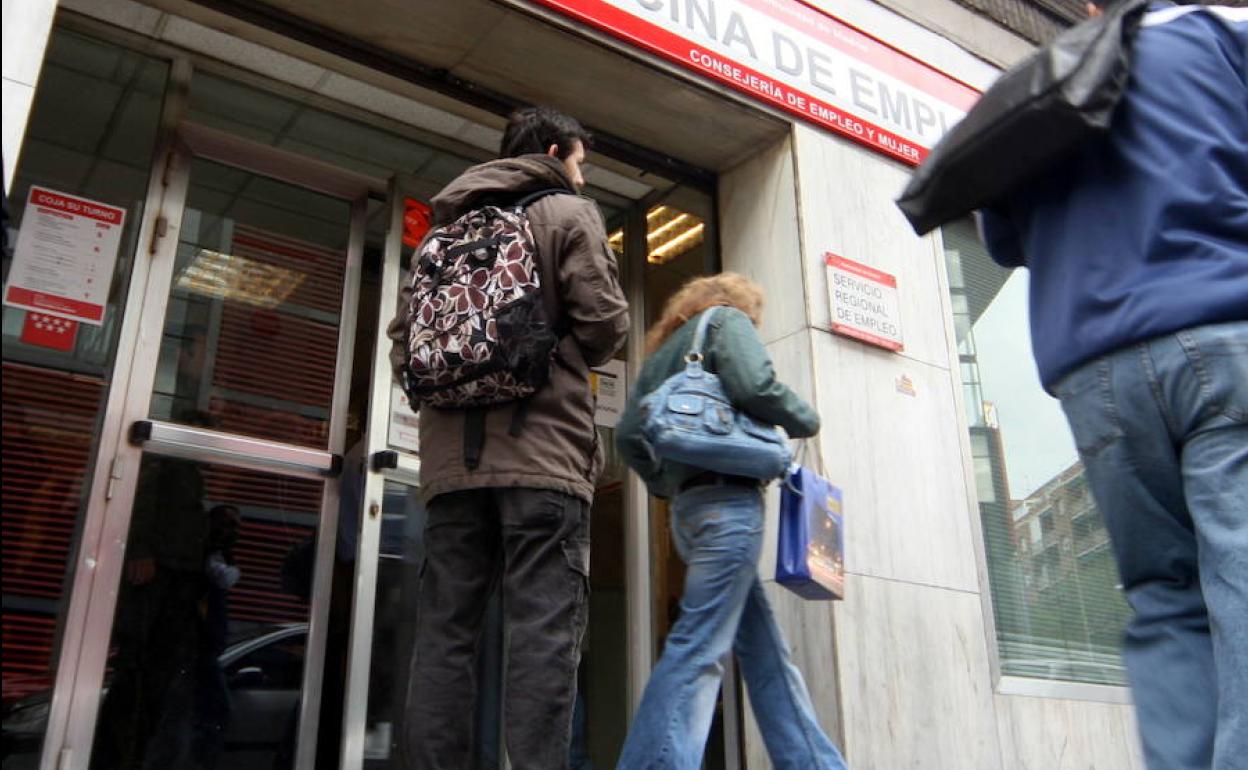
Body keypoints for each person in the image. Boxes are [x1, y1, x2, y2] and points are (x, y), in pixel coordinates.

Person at [977, 3, 1247, 768]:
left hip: (1096, 369)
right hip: (1221, 329)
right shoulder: (1224, 34)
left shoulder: (1032, 85)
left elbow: (1003, 240)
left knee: (1163, 598)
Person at [386, 105, 629, 770]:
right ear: (554, 152)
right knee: (542, 633)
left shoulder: (443, 232)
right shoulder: (568, 213)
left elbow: (404, 347)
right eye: (580, 162)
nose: (582, 176)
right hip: (544, 460)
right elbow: (605, 327)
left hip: (450, 474)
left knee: (446, 632)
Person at [614, 273, 848, 770]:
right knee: (698, 648)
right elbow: (755, 385)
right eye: (756, 317)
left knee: (767, 654)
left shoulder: (662, 355)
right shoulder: (726, 321)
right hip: (730, 510)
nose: (755, 324)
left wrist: (667, 481)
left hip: (689, 513)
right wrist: (806, 418)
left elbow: (629, 435)